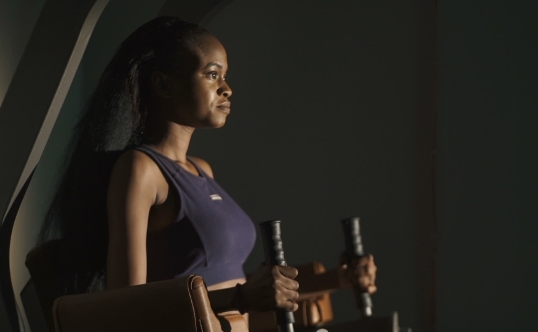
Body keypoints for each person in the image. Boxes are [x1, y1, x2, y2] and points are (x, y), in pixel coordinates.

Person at [39, 15, 376, 320]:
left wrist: (338, 279)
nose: (227, 88)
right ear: (163, 85)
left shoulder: (202, 170)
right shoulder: (141, 169)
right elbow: (126, 305)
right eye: (212, 74)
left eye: (224, 76)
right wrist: (242, 297)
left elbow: (240, 287)